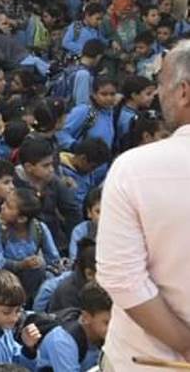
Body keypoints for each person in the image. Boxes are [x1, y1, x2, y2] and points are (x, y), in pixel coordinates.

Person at [97, 40, 190, 368]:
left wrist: (185, 344)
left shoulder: (135, 169)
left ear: (184, 92)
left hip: (146, 361)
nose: (157, 94)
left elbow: (122, 279)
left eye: (161, 84)